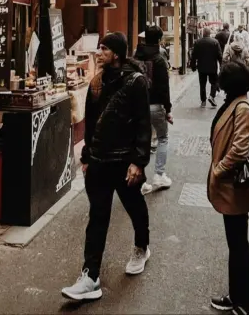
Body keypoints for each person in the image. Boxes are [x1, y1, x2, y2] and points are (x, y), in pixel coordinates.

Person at [62, 32, 151, 302]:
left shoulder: (136, 82)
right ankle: (90, 276)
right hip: (99, 161)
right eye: (99, 47)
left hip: (124, 161)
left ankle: (141, 246)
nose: (98, 52)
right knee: (97, 217)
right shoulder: (97, 82)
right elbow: (91, 123)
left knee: (135, 206)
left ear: (117, 53)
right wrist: (87, 156)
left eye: (104, 48)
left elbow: (142, 123)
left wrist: (138, 160)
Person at [208, 62, 249, 315]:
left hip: (234, 185)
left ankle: (248, 304)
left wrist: (219, 171)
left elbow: (239, 149)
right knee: (236, 244)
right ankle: (237, 296)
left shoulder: (242, 108)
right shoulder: (233, 102)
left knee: (239, 245)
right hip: (230, 185)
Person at [134, 25, 173, 195]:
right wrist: (168, 109)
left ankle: (140, 180)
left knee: (140, 141)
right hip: (156, 105)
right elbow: (164, 88)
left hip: (138, 106)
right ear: (159, 40)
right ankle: (159, 175)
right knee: (163, 138)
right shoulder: (158, 59)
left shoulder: (136, 58)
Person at [191, 27, 223, 108]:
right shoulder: (215, 42)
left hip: (201, 67)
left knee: (202, 84)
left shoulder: (198, 42)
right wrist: (221, 65)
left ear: (203, 33)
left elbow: (194, 55)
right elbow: (219, 55)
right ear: (209, 33)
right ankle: (212, 96)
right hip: (212, 67)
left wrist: (193, 66)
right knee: (214, 82)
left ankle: (203, 101)